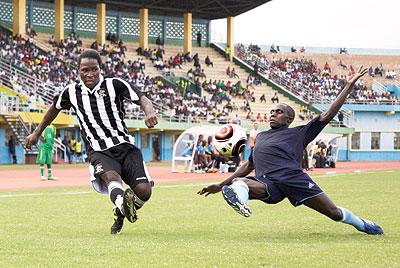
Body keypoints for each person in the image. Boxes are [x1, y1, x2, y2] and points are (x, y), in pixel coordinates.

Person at [198, 66, 384, 235]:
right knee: (240, 181)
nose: (273, 114)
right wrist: (220, 185)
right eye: (272, 111)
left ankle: (361, 223)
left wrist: (348, 86)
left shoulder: (299, 133)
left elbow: (328, 114)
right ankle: (241, 201)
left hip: (295, 180)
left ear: (288, 119)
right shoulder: (261, 137)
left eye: (278, 112)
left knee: (334, 214)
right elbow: (248, 165)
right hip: (269, 184)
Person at [25, 50, 158, 235]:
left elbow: (141, 97)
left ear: (100, 69)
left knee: (144, 191)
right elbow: (53, 110)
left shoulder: (114, 84)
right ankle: (122, 203)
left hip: (125, 147)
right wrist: (37, 133)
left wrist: (149, 112)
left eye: (94, 69)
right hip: (99, 150)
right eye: (84, 70)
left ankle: (120, 211)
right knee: (112, 179)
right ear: (78, 71)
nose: (90, 74)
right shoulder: (71, 92)